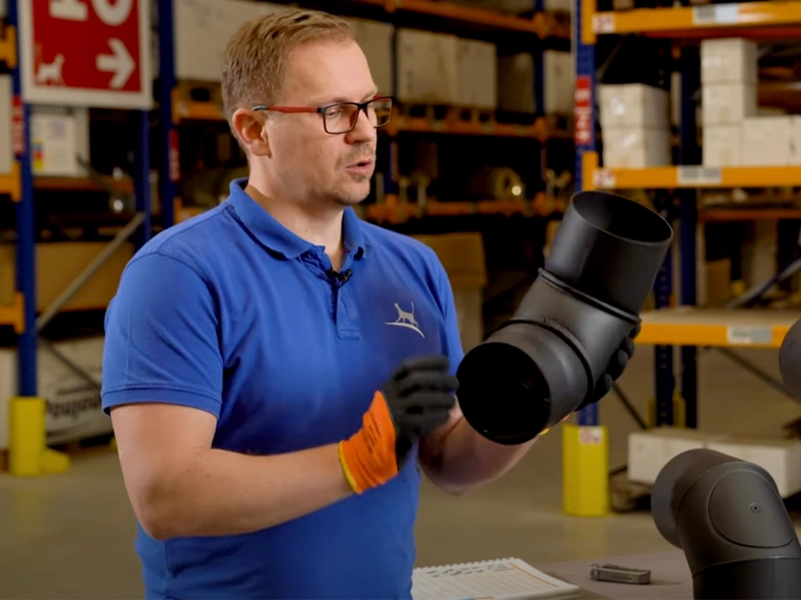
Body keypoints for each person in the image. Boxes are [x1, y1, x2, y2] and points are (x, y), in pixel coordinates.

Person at [101, 7, 637, 600]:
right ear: (254, 130)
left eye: (371, 106)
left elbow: (451, 462)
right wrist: (353, 462)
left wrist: (543, 398)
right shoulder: (178, 275)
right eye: (334, 112)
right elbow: (167, 497)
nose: (365, 132)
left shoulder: (413, 268)